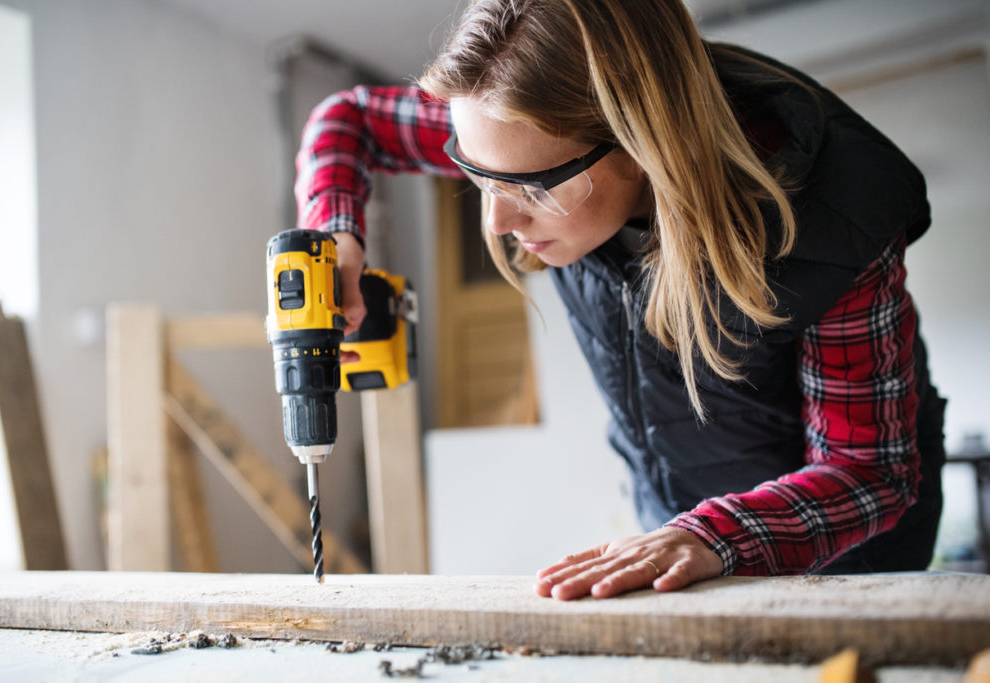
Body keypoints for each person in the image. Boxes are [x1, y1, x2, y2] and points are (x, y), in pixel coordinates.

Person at [294, 0, 946, 599]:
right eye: (475, 172)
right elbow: (345, 121)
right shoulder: (517, 123)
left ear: (642, 142)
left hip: (847, 560)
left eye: (532, 188)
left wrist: (714, 534)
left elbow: (869, 471)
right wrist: (335, 235)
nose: (496, 222)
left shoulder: (834, 224)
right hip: (678, 537)